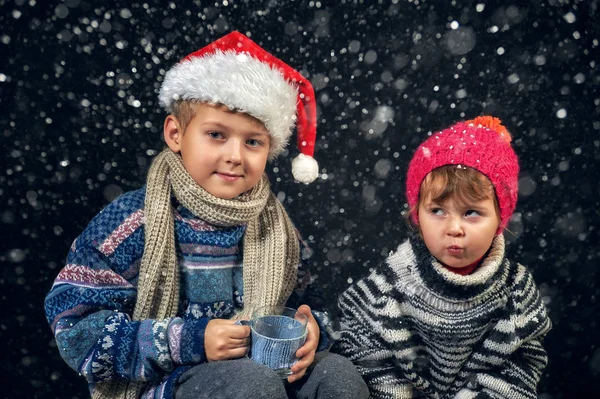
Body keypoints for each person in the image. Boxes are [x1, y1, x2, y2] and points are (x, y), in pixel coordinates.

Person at [44, 31, 368, 399]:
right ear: (175, 133)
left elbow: (310, 303)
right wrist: (189, 341)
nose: (235, 155)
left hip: (263, 377)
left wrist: (311, 331)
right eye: (216, 134)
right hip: (170, 383)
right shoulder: (132, 223)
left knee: (337, 375)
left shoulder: (278, 231)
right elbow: (76, 329)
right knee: (250, 383)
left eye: (253, 142)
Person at [331, 116, 552, 398]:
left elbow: (519, 370)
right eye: (437, 211)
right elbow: (360, 344)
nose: (454, 228)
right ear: (416, 216)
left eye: (472, 213)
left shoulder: (515, 290)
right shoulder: (391, 283)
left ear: (500, 219)